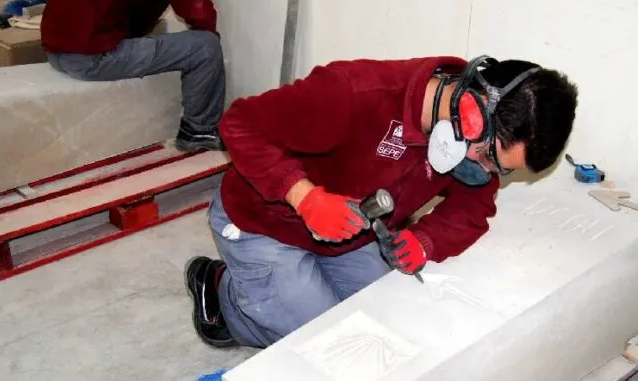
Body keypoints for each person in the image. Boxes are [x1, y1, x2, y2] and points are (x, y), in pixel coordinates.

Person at [185, 55, 579, 348]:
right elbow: (239, 124)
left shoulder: (472, 147)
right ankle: (221, 293)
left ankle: (278, 289)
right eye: (492, 157)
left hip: (350, 232)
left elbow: (472, 207)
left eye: (501, 170)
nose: (486, 171)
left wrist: (424, 241)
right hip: (264, 224)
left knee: (382, 323)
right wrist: (303, 197)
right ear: (471, 113)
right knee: (319, 341)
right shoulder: (354, 93)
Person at [40, 0, 226, 152]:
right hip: (89, 58)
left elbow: (131, 18)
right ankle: (198, 130)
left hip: (54, 51)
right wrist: (206, 36)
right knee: (205, 46)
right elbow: (195, 5)